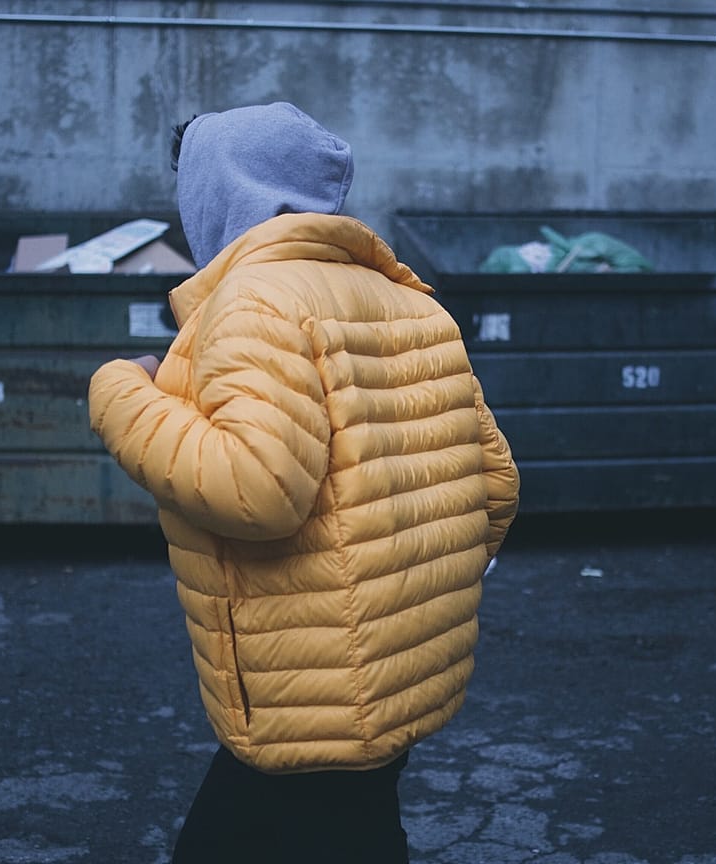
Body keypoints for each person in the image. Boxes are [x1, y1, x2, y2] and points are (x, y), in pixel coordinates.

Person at [87, 101, 520, 863]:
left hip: (313, 697)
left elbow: (258, 489)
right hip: (391, 676)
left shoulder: (255, 304)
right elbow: (497, 483)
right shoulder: (409, 301)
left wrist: (124, 395)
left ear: (221, 195)